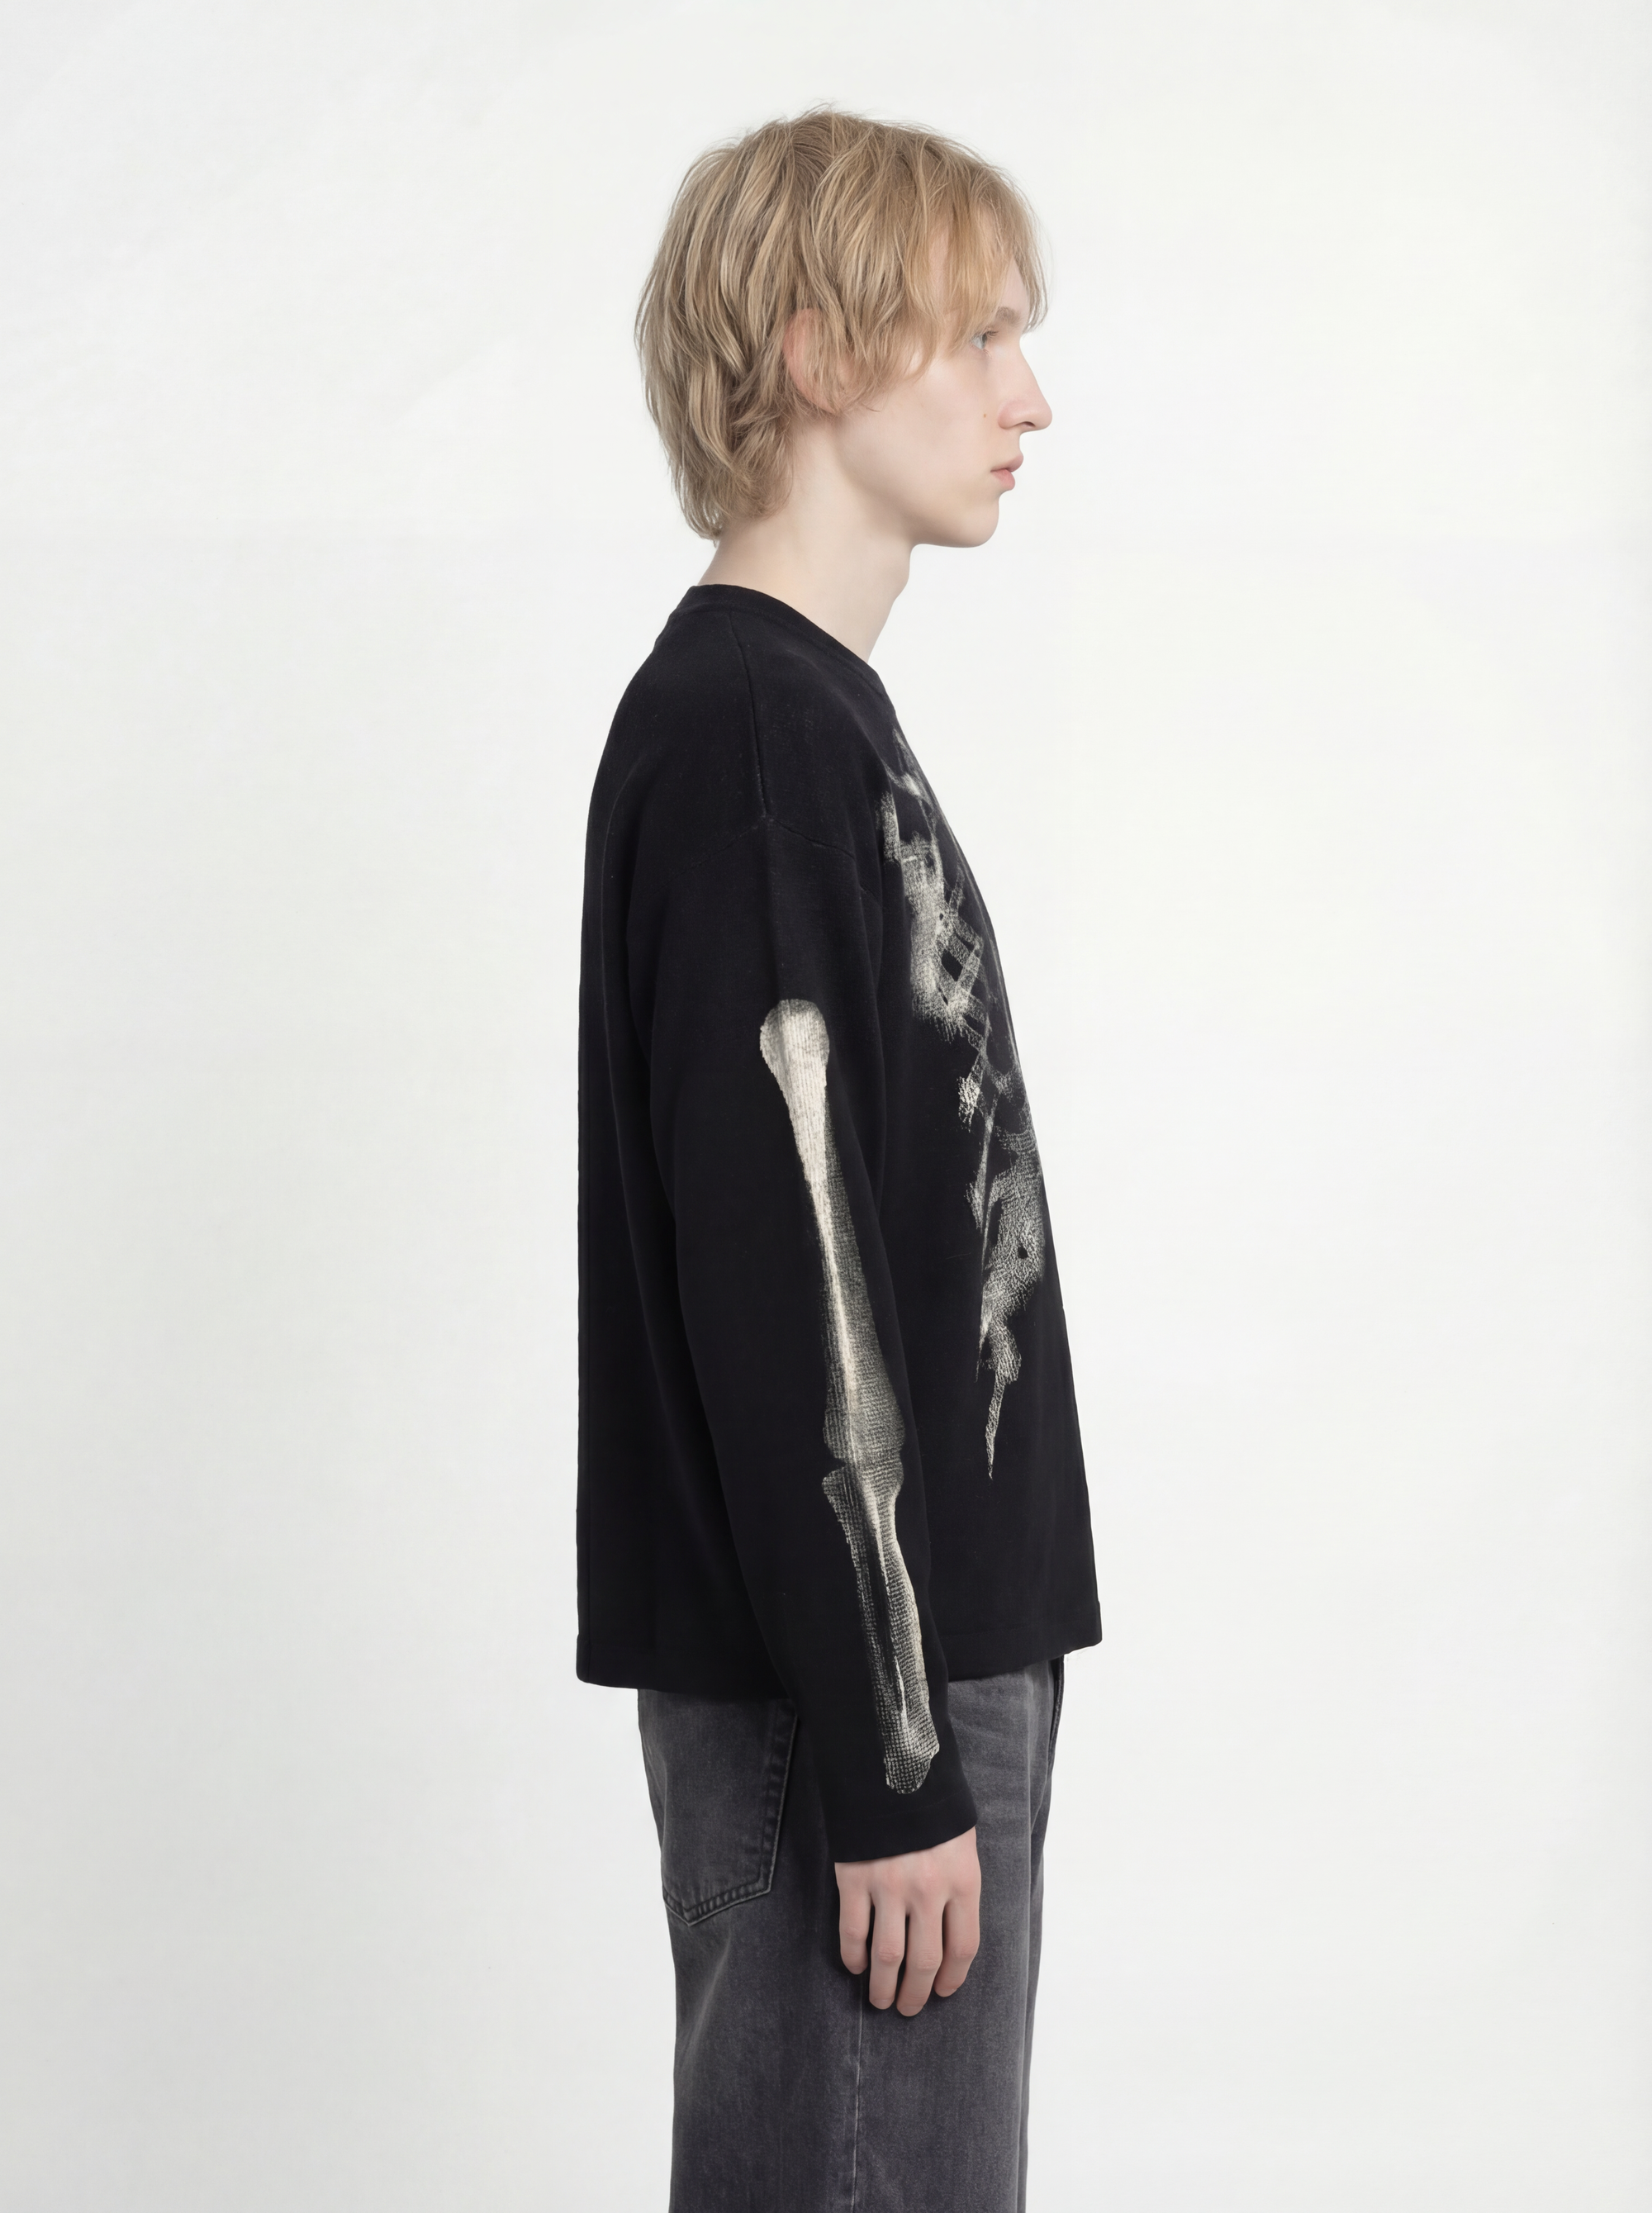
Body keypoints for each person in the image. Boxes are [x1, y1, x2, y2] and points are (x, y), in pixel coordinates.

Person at [577, 108, 1101, 2212]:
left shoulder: (806, 721)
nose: (1025, 396)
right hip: (854, 1700)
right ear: (813, 353)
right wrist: (890, 1765)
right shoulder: (751, 737)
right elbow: (781, 1267)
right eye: (976, 335)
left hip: (895, 1671)